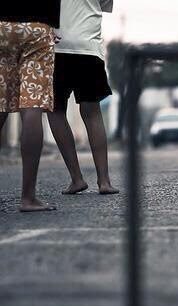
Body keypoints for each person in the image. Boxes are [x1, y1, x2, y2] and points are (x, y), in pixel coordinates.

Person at [47, 0, 119, 195]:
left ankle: (76, 179)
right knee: (92, 113)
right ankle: (104, 181)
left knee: (55, 110)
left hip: (56, 46)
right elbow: (104, 4)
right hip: (88, 48)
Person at [1, 2, 61, 212]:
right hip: (37, 26)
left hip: (2, 27)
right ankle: (28, 198)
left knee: (0, 105)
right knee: (32, 107)